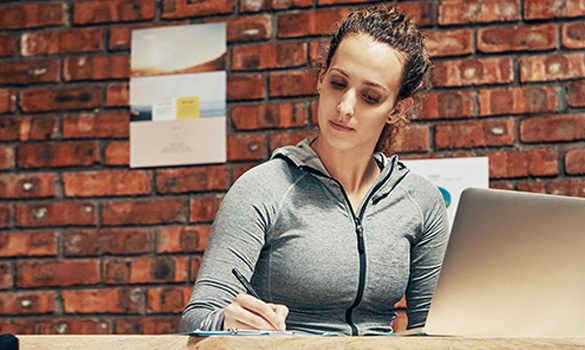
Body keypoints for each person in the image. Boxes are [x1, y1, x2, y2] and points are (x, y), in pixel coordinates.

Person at [179, 6, 448, 336]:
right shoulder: (263, 189)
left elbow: (433, 332)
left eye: (370, 96)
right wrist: (227, 322)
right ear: (321, 78)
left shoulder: (420, 201)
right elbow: (198, 317)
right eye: (338, 83)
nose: (345, 107)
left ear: (397, 109)